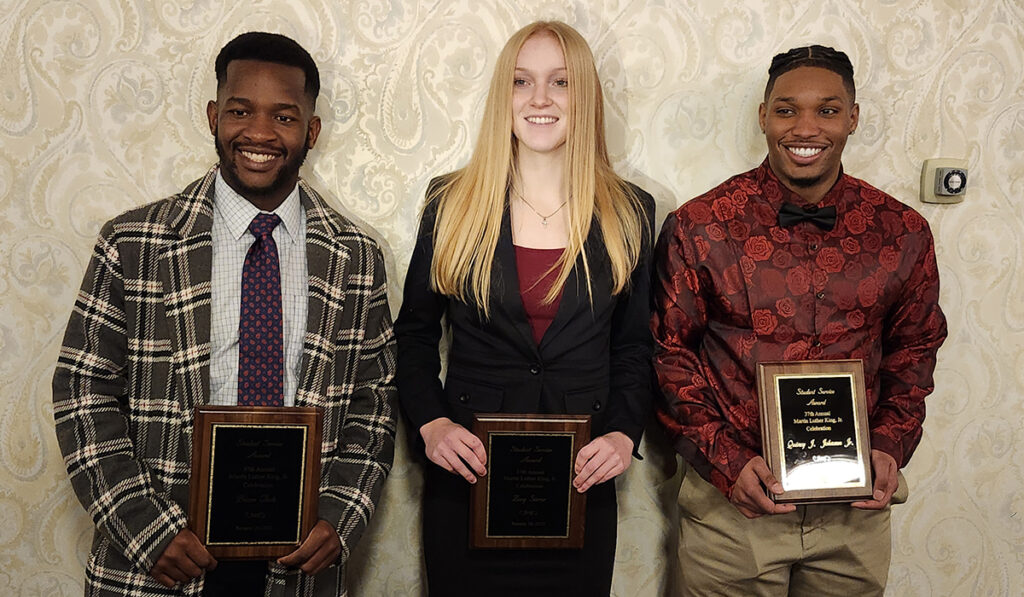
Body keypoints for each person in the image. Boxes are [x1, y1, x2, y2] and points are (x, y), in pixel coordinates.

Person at [52, 32, 396, 597]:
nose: (259, 132)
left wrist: (340, 514)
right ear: (214, 116)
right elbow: (81, 392)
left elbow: (375, 401)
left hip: (295, 561)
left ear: (311, 131)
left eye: (283, 116)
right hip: (161, 560)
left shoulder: (355, 256)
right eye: (241, 110)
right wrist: (147, 529)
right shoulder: (134, 243)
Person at [652, 44, 947, 596]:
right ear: (763, 116)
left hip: (853, 519)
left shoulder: (903, 231)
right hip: (731, 515)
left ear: (853, 118)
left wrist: (888, 443)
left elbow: (916, 349)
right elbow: (670, 354)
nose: (805, 127)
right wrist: (727, 461)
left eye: (828, 110)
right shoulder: (700, 225)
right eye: (786, 109)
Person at [395, 20, 654, 597]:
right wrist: (433, 424)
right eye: (522, 81)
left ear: (583, 95)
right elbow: (413, 336)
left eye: (560, 82)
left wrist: (620, 434)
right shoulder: (451, 201)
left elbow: (635, 346)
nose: (540, 99)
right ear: (502, 96)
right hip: (466, 477)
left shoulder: (631, 210)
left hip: (580, 484)